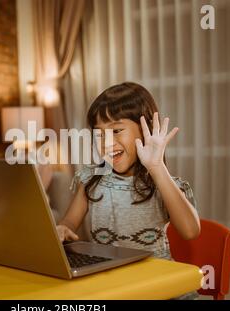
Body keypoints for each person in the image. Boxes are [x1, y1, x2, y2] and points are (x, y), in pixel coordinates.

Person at [56, 82, 200, 262]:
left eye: (116, 131)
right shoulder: (91, 180)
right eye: (99, 134)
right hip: (110, 277)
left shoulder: (160, 183)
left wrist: (157, 169)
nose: (107, 142)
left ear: (144, 130)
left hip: (153, 279)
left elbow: (190, 231)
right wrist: (62, 227)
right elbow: (69, 222)